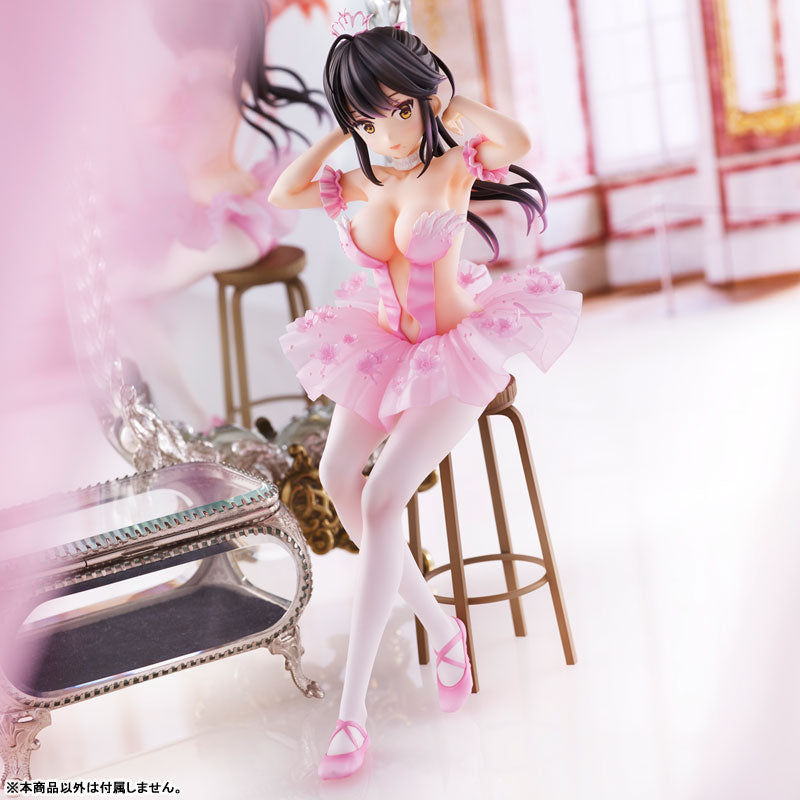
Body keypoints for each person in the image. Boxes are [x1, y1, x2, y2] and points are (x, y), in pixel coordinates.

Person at [269, 13, 581, 780]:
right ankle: (445, 630)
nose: (391, 132)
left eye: (400, 109)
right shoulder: (357, 181)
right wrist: (343, 129)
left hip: (454, 352)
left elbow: (516, 142)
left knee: (380, 501)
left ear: (422, 98)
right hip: (382, 346)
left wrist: (447, 99)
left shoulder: (452, 166)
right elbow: (283, 190)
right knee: (336, 476)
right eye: (370, 118)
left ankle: (352, 715)